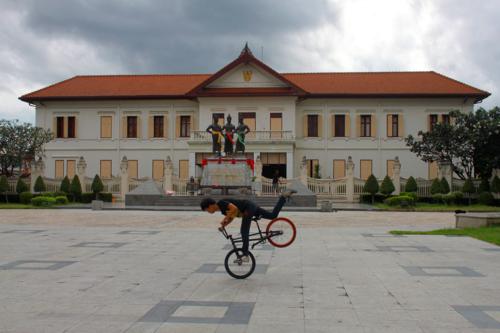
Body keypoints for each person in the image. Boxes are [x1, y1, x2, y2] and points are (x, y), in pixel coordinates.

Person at [200, 189, 297, 261]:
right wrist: (223, 226)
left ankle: (245, 255)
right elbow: (232, 217)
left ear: (210, 206)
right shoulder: (222, 211)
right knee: (273, 216)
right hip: (251, 207)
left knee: (244, 231)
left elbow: (234, 209)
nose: (208, 212)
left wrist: (224, 219)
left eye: (207, 210)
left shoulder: (221, 203)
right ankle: (283, 197)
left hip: (248, 208)